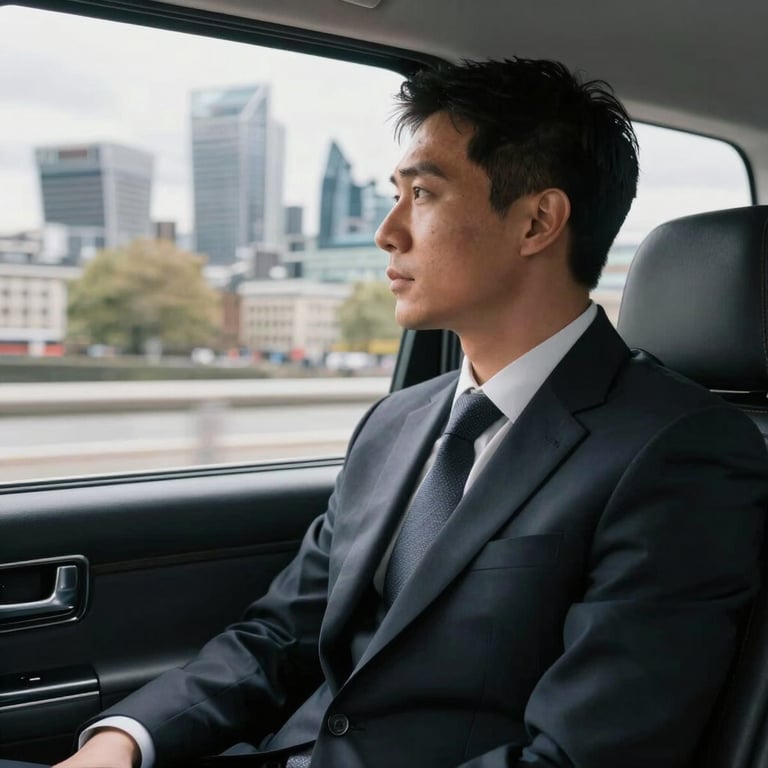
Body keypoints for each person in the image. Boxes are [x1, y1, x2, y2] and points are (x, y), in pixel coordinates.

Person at [34, 58, 767, 768]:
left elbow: (583, 755)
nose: (387, 231)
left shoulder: (681, 451)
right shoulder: (396, 424)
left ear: (538, 221)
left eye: (422, 194)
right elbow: (281, 636)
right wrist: (124, 742)